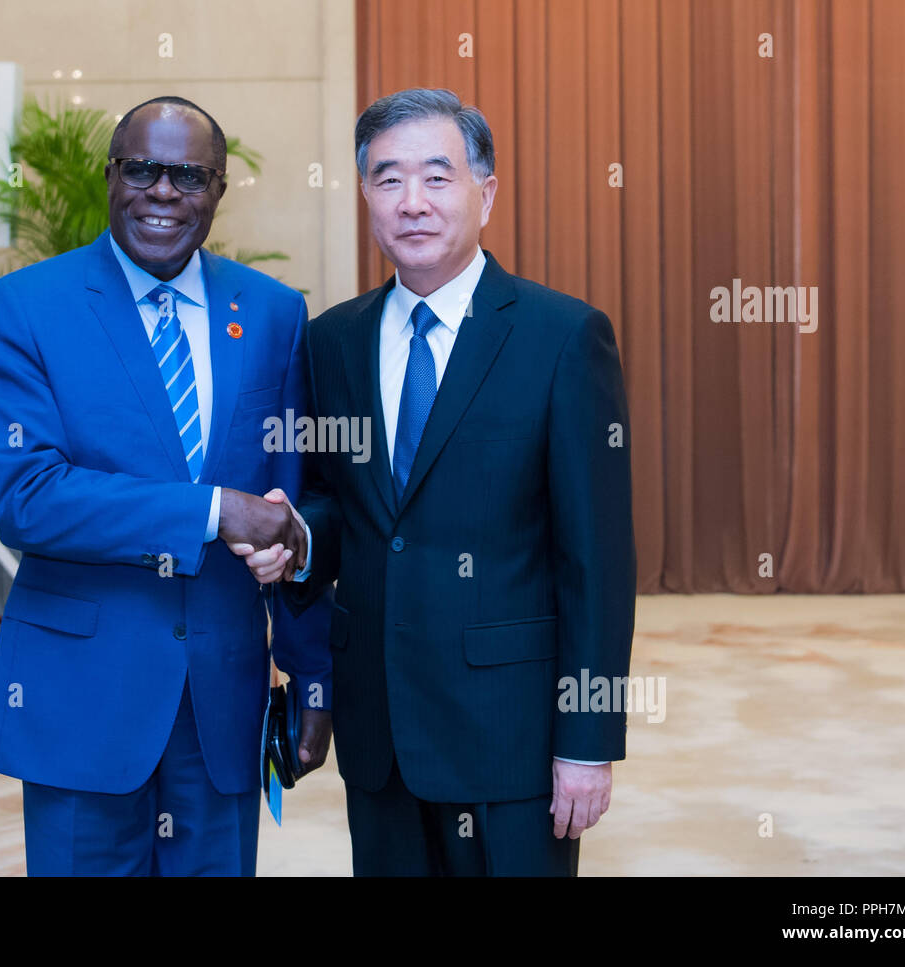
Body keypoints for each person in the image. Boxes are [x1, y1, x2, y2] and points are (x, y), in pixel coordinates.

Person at [234, 88, 635, 876]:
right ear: (365, 197)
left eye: (436, 177)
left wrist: (587, 742)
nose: (411, 202)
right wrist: (300, 534)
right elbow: (339, 504)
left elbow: (597, 563)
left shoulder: (561, 338)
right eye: (387, 180)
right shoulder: (333, 341)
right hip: (379, 733)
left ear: (485, 192)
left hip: (510, 740)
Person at [0, 95, 331, 876]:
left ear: (219, 191)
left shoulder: (272, 313)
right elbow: (27, 497)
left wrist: (312, 676)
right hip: (82, 703)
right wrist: (210, 509)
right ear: (111, 177)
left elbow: (294, 506)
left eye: (189, 175)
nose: (163, 192)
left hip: (223, 705)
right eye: (143, 169)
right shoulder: (26, 308)